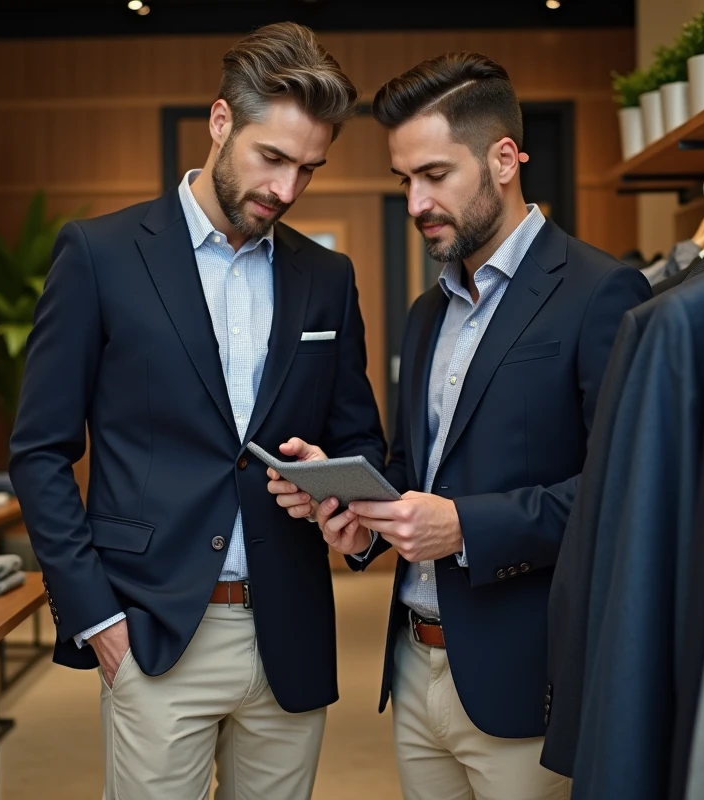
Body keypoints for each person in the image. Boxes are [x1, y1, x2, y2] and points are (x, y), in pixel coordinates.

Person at [9, 22, 386, 800]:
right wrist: (95, 619)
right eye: (272, 159)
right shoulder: (100, 255)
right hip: (153, 632)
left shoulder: (328, 277)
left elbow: (359, 440)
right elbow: (40, 450)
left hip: (292, 632)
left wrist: (338, 493)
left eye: (308, 169)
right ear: (220, 123)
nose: (286, 189)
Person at [267, 52, 652, 799]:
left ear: (504, 159)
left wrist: (467, 528)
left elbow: (625, 492)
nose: (415, 203)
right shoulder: (427, 310)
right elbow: (418, 471)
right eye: (404, 180)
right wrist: (358, 517)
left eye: (435, 175)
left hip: (524, 679)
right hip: (414, 670)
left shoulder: (602, 292)